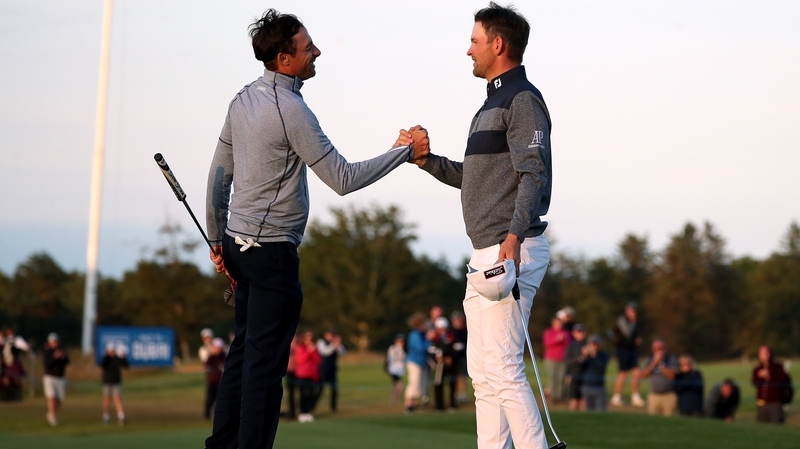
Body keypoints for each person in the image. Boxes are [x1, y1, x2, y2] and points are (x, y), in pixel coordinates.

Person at [203, 9, 420, 449]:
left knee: (242, 357)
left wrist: (216, 240)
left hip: (239, 247)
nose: (316, 51)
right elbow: (343, 179)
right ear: (284, 59)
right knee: (264, 369)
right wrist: (404, 151)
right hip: (270, 256)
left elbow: (216, 177)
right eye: (307, 48)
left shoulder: (242, 99)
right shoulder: (292, 110)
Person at [397, 4, 553, 448]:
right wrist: (425, 161)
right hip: (485, 251)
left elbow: (532, 172)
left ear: (497, 45)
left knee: (503, 369)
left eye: (474, 41)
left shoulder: (522, 100)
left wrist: (513, 237)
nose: (468, 51)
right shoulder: (490, 105)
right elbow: (474, 178)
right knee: (482, 374)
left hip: (510, 249)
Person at [610, 303, 645, 407]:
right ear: (627, 311)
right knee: (623, 373)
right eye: (631, 311)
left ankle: (635, 397)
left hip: (632, 349)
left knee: (637, 372)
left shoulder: (634, 321)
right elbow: (627, 333)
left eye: (634, 311)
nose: (633, 313)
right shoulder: (622, 320)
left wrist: (637, 340)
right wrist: (633, 322)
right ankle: (616, 397)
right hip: (622, 349)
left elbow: (634, 336)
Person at [752, 344, 790, 424]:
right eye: (761, 353)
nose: (764, 355)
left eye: (766, 353)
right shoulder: (757, 369)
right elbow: (755, 383)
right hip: (761, 403)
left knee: (776, 425)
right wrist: (760, 376)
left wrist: (770, 376)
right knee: (762, 427)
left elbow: (784, 380)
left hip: (775, 403)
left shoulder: (777, 367)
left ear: (770, 354)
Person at [640, 339, 678, 417]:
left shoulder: (671, 359)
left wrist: (661, 364)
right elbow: (643, 375)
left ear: (665, 349)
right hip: (654, 395)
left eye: (661, 348)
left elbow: (672, 376)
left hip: (668, 395)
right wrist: (653, 364)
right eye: (656, 349)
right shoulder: (649, 359)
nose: (658, 351)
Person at [404, 312, 431, 413]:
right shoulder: (415, 334)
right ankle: (408, 403)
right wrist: (428, 339)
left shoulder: (421, 334)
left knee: (419, 383)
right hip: (414, 361)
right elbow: (420, 347)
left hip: (421, 362)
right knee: (414, 382)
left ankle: (414, 404)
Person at [42, 333, 69, 426]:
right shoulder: (47, 351)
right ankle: (53, 416)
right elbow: (47, 364)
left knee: (59, 399)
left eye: (56, 341)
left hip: (60, 377)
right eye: (53, 341)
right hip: (49, 377)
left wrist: (62, 357)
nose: (55, 343)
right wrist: (54, 357)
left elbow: (67, 361)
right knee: (51, 397)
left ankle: (50, 412)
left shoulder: (62, 350)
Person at [294, 330, 321, 423]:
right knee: (303, 394)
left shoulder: (315, 348)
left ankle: (308, 412)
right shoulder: (301, 348)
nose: (309, 340)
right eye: (307, 338)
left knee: (311, 394)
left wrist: (313, 351)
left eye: (311, 338)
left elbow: (318, 360)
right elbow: (300, 360)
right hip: (303, 375)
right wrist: (309, 352)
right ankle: (302, 413)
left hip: (312, 375)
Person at [431, 317, 457, 411]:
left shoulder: (451, 335)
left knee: (452, 384)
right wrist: (436, 358)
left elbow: (456, 348)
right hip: (439, 365)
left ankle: (452, 404)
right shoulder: (435, 338)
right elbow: (431, 350)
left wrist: (450, 357)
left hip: (450, 364)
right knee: (438, 384)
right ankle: (439, 406)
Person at [316, 329, 346, 412]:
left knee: (334, 390)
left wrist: (338, 344)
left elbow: (343, 353)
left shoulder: (335, 343)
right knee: (320, 389)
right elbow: (325, 352)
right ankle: (312, 406)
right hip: (323, 369)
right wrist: (334, 344)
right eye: (330, 335)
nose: (331, 337)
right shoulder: (321, 342)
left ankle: (333, 408)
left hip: (332, 369)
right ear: (325, 335)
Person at [543, 316, 570, 401]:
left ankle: (560, 396)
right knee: (552, 378)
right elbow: (547, 343)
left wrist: (563, 340)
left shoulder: (565, 332)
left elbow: (569, 344)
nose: (559, 325)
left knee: (561, 378)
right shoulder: (549, 332)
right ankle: (553, 397)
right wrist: (557, 340)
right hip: (551, 358)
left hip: (562, 358)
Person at [100, 343, 129, 425]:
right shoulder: (106, 358)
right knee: (107, 399)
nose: (112, 352)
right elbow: (102, 364)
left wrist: (124, 357)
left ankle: (121, 416)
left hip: (116, 381)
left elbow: (126, 365)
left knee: (117, 398)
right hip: (107, 382)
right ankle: (106, 416)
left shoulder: (117, 358)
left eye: (113, 350)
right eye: (111, 350)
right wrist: (107, 356)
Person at [580, 334, 610, 412]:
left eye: (596, 344)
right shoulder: (585, 356)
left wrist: (593, 355)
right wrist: (584, 356)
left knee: (600, 411)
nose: (595, 346)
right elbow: (579, 367)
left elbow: (601, 367)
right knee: (587, 411)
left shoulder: (603, 356)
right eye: (593, 344)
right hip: (587, 386)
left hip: (599, 387)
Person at [1, 327, 29, 401]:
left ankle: (17, 396)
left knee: (16, 379)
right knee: (7, 380)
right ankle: (8, 396)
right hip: (7, 362)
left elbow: (25, 346)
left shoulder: (17, 340)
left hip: (14, 362)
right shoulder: (6, 340)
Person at [564, 323, 587, 411]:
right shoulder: (571, 346)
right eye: (578, 332)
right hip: (574, 374)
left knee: (584, 399)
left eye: (581, 332)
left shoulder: (588, 344)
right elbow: (568, 361)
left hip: (585, 375)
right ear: (574, 333)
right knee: (574, 398)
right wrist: (567, 374)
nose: (580, 334)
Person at [204, 338, 227, 420]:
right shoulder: (211, 357)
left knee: (220, 399)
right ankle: (207, 416)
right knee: (210, 398)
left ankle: (220, 415)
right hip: (212, 380)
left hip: (220, 381)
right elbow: (207, 365)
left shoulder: (224, 356)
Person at [450, 312, 468, 405]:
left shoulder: (465, 329)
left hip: (462, 356)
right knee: (454, 376)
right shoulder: (451, 330)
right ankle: (455, 394)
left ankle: (463, 394)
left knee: (462, 376)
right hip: (453, 357)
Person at [385, 334, 406, 405]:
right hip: (393, 369)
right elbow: (390, 358)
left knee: (396, 385)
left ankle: (395, 400)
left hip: (400, 370)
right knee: (399, 384)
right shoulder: (393, 348)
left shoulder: (403, 349)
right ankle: (394, 399)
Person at [283, 333, 299, 418]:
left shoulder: (298, 344)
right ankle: (291, 411)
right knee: (290, 393)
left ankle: (298, 411)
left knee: (299, 392)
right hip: (289, 370)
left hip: (298, 370)